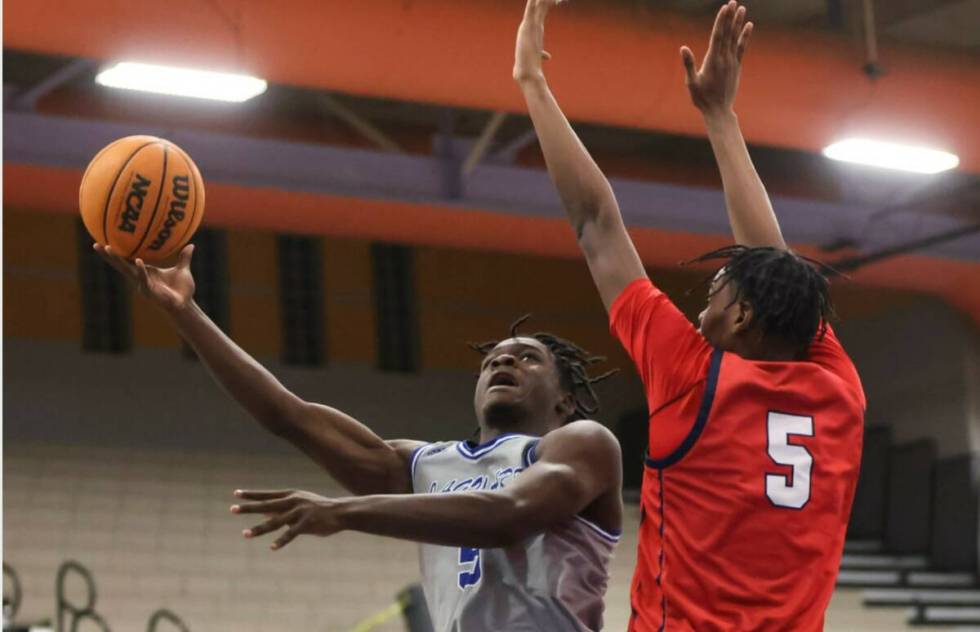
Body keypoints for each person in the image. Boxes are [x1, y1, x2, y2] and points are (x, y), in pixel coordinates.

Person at [514, 1, 865, 630]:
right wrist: (721, 118)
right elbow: (776, 267)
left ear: (745, 316)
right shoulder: (838, 389)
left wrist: (532, 85)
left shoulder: (692, 376)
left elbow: (596, 223)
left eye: (717, 291)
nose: (702, 302)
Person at [94, 244, 624, 632]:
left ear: (564, 400)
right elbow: (290, 417)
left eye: (527, 357)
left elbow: (509, 514)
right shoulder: (425, 466)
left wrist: (344, 512)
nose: (504, 360)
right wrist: (185, 313)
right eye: (491, 360)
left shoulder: (584, 443)